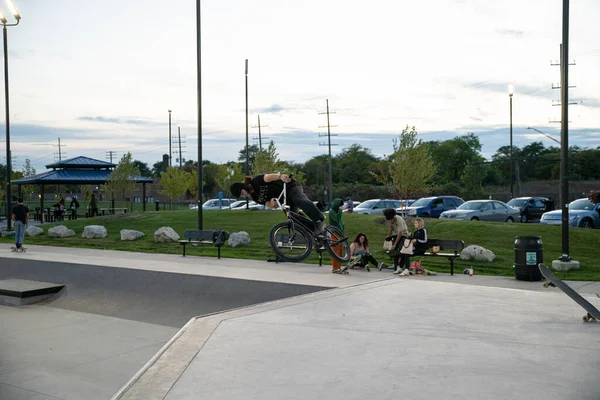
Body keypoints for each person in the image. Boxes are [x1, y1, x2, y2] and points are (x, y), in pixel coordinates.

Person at [230, 173, 325, 235]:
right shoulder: (255, 198)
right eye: (242, 196)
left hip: (290, 187)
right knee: (292, 217)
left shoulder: (257, 180)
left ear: (243, 187)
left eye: (242, 193)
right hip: (284, 201)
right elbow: (269, 205)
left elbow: (268, 177)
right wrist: (272, 204)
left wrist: (281, 177)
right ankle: (315, 231)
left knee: (299, 200)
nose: (244, 196)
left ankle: (319, 220)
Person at [328, 198, 347, 274]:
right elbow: (336, 221)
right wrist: (339, 212)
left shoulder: (338, 212)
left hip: (340, 233)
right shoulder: (332, 212)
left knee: (340, 251)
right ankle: (335, 267)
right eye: (341, 205)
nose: (342, 207)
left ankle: (339, 267)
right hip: (334, 233)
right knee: (335, 251)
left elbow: (340, 222)